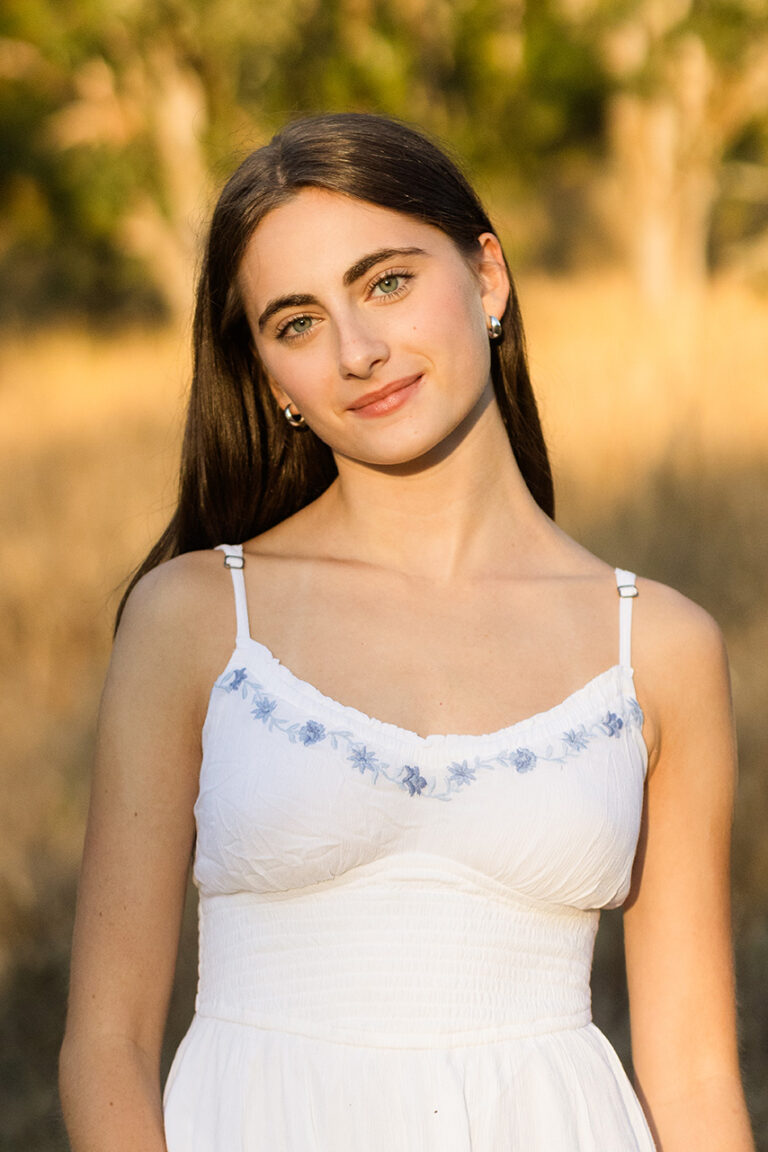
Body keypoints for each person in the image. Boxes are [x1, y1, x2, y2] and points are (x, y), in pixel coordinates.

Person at [58, 112, 754, 1151]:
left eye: (386, 281)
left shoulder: (658, 648)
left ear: (488, 278)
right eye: (295, 322)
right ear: (269, 378)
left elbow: (694, 1072)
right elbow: (106, 1043)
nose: (358, 350)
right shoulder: (197, 620)